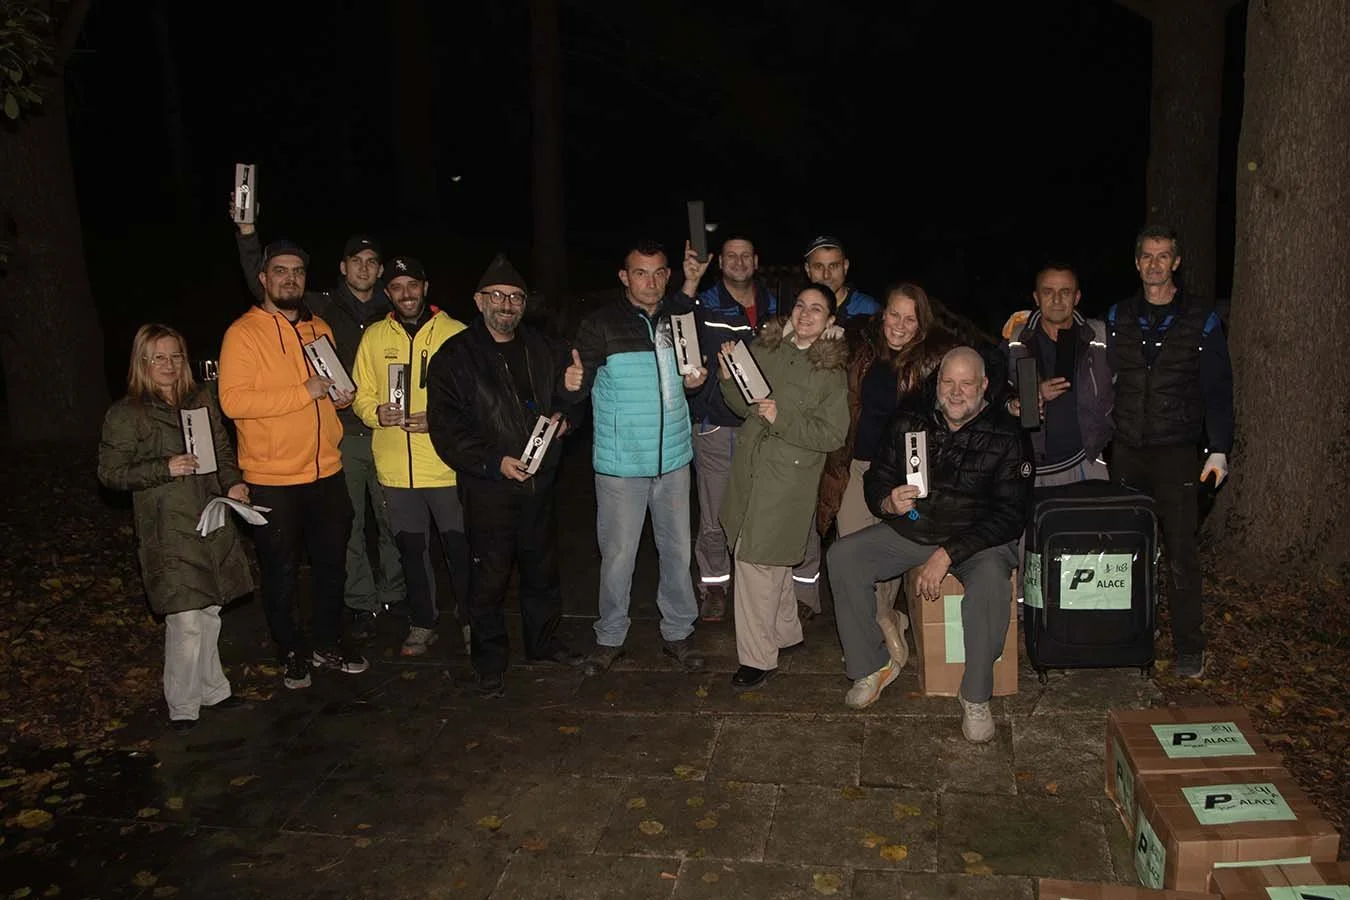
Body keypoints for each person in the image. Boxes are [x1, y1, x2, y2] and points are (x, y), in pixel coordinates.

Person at [827, 348, 1031, 742]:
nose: (956, 392)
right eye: (947, 382)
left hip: (979, 541)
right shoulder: (909, 419)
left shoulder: (1008, 434)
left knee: (991, 583)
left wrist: (948, 554)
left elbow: (1011, 515)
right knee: (844, 557)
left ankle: (976, 695)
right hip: (917, 529)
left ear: (984, 385)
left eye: (966, 383)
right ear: (937, 384)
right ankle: (872, 666)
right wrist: (887, 501)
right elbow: (877, 476)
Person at [233, 211, 403, 638]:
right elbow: (269, 288)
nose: (363, 268)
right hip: (342, 437)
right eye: (355, 261)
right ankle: (360, 603)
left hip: (388, 433)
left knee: (393, 522)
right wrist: (248, 234)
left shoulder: (394, 310)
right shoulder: (322, 307)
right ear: (342, 267)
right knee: (349, 530)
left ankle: (396, 596)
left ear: (380, 270)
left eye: (371, 262)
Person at [426, 253, 584, 698]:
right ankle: (489, 661)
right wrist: (494, 461)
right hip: (489, 486)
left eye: (515, 297)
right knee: (489, 577)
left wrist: (569, 407)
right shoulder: (455, 356)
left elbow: (568, 400)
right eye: (497, 296)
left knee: (542, 569)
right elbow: (447, 428)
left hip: (540, 482)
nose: (507, 304)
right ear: (479, 301)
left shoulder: (544, 347)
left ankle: (544, 642)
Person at [219, 239, 369, 689]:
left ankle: (326, 643)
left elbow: (330, 387)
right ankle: (290, 652)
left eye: (298, 272)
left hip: (327, 471)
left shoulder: (318, 327)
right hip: (273, 478)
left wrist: (342, 396)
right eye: (281, 271)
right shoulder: (243, 333)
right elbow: (233, 402)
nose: (290, 279)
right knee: (281, 572)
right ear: (263, 278)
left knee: (331, 567)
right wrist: (302, 393)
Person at [559, 239, 707, 676]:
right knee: (618, 555)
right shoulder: (600, 324)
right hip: (622, 465)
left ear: (668, 275)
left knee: (677, 552)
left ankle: (679, 631)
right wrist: (569, 385)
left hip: (674, 459)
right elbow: (576, 388)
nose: (651, 281)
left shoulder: (678, 318)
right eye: (641, 273)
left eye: (659, 272)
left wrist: (696, 382)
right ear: (624, 277)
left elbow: (692, 378)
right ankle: (609, 636)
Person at [99, 324, 255, 733]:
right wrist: (163, 468)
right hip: (167, 528)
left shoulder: (199, 401)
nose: (169, 365)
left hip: (210, 518)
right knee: (184, 618)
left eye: (175, 356)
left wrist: (232, 483)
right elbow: (110, 473)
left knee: (210, 610)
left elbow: (221, 451)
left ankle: (213, 690)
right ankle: (183, 706)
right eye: (159, 358)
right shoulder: (127, 413)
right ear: (142, 362)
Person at [1107, 225, 1234, 680]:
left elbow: (1218, 389)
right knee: (1124, 550)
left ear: (1176, 262)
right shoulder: (1119, 316)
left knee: (1181, 552)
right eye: (1147, 256)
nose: (1155, 264)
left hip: (1178, 452)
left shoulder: (1201, 319)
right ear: (1136, 262)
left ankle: (1189, 646)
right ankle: (1126, 637)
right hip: (1127, 450)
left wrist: (1218, 449)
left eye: (1163, 256)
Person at [716, 283, 849, 690]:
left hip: (788, 478)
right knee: (767, 559)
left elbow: (833, 434)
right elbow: (743, 406)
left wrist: (782, 419)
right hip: (750, 467)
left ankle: (757, 659)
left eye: (817, 309)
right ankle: (787, 632)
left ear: (830, 320)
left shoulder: (831, 372)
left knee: (755, 558)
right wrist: (727, 378)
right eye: (800, 305)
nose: (806, 314)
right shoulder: (766, 349)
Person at [816, 283, 952, 662]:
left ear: (921, 324)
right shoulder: (859, 345)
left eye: (910, 319)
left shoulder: (932, 360)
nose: (900, 325)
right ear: (882, 313)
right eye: (895, 314)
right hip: (855, 465)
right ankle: (881, 623)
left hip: (900, 474)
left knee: (888, 553)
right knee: (852, 550)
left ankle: (881, 621)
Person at [351, 256, 470, 660]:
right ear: (388, 293)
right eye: (397, 287)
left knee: (459, 550)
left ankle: (472, 621)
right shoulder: (374, 337)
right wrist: (374, 412)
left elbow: (475, 399)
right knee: (412, 553)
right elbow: (361, 393)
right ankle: (423, 623)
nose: (406, 294)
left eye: (412, 285)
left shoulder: (456, 333)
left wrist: (439, 420)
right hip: (396, 471)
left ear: (425, 288)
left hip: (446, 467)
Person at [678, 235, 778, 622]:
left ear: (756, 260)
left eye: (745, 255)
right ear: (720, 262)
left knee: (761, 511)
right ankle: (715, 586)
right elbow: (676, 322)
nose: (738, 261)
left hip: (763, 425)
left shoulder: (775, 305)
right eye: (731, 256)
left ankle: (758, 586)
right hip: (715, 426)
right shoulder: (703, 304)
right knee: (715, 513)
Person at [1001, 263, 1113, 486]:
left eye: (1065, 292)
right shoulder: (1016, 340)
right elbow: (993, 391)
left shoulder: (1100, 337)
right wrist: (1018, 401)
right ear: (1036, 297)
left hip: (1087, 462)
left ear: (1077, 297)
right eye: (1048, 292)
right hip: (1031, 466)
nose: (1057, 300)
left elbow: (1125, 388)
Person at [802, 235, 880, 321]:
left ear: (845, 267)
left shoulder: (868, 309)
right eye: (818, 267)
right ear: (808, 270)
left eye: (833, 266)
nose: (826, 275)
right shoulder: (800, 310)